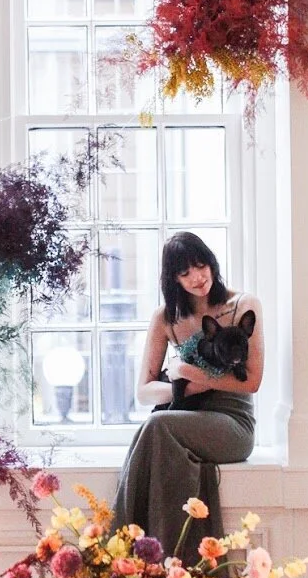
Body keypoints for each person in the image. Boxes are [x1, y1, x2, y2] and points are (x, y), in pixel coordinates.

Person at [113, 231, 263, 557]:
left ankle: (122, 542)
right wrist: (183, 384)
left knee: (157, 426)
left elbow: (251, 382)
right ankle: (153, 555)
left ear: (212, 263)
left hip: (233, 425)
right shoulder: (165, 317)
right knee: (157, 426)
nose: (198, 278)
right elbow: (144, 391)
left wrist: (190, 374)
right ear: (173, 279)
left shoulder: (242, 306)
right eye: (185, 273)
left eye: (201, 265)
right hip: (187, 420)